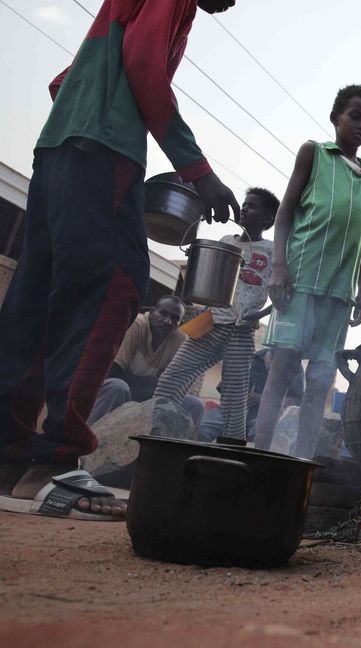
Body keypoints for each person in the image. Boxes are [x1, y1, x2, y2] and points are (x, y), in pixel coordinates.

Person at [0, 0, 240, 521]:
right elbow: (143, 67)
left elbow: (64, 82)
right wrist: (197, 171)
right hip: (104, 150)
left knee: (35, 299)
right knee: (112, 287)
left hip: (59, 148)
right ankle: (55, 464)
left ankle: (10, 463)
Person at [252, 85, 361, 458]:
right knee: (283, 367)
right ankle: (260, 454)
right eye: (355, 116)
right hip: (300, 282)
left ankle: (301, 461)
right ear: (335, 117)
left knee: (322, 378)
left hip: (340, 294)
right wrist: (278, 267)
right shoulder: (315, 154)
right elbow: (286, 211)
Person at [154, 188, 278, 445]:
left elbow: (282, 295)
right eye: (244, 204)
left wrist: (261, 313)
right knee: (171, 379)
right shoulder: (226, 241)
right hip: (210, 323)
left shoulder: (273, 251)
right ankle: (157, 431)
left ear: (268, 220)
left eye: (253, 207)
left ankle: (230, 450)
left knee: (234, 399)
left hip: (241, 331)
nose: (244, 209)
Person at [87, 295, 204, 426]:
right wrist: (155, 384)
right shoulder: (137, 324)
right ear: (152, 312)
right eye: (163, 313)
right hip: (114, 390)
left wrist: (155, 385)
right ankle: (89, 438)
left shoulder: (179, 339)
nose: (167, 321)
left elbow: (173, 386)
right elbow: (112, 373)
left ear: (180, 324)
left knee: (194, 404)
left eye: (175, 318)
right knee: (118, 386)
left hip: (148, 396)